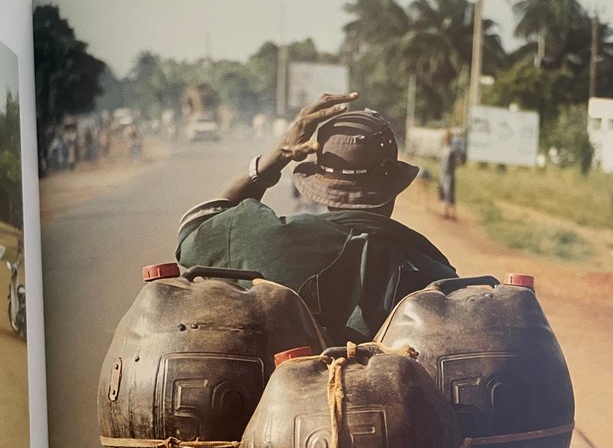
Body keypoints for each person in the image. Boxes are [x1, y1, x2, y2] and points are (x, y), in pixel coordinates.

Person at [176, 92, 457, 344]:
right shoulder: (435, 273)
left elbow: (194, 231)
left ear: (321, 184)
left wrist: (273, 159)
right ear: (394, 187)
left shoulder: (266, 238)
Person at [437, 128, 458, 220]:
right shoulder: (444, 148)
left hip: (449, 174)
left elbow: (454, 163)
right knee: (444, 192)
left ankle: (451, 213)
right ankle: (446, 212)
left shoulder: (451, 150)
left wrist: (450, 171)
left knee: (449, 192)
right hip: (443, 173)